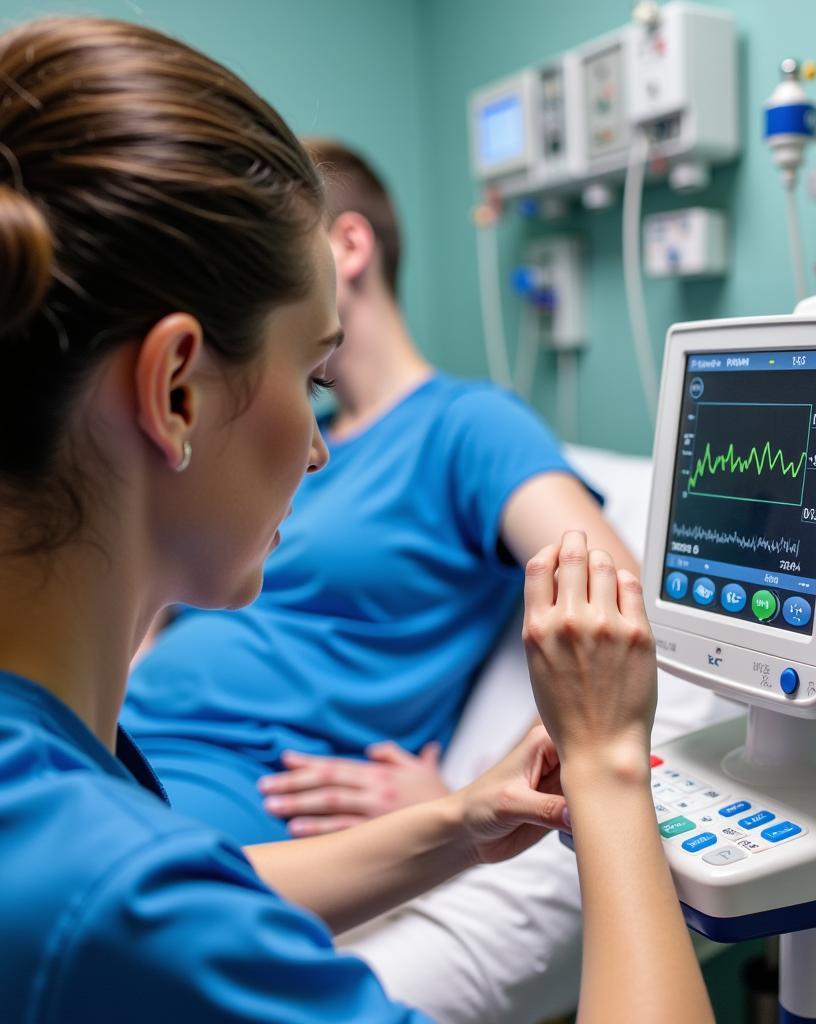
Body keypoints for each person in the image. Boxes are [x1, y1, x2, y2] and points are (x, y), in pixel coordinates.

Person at [0, 15, 713, 1024]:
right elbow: (144, 909)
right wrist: (603, 769)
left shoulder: (65, 794)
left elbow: (177, 892)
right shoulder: (111, 891)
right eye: (309, 372)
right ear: (174, 396)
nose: (319, 443)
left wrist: (456, 816)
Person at [122, 139, 636, 844]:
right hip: (117, 733)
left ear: (350, 247)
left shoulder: (469, 425)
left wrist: (476, 792)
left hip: (247, 782)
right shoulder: (285, 436)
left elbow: (615, 600)